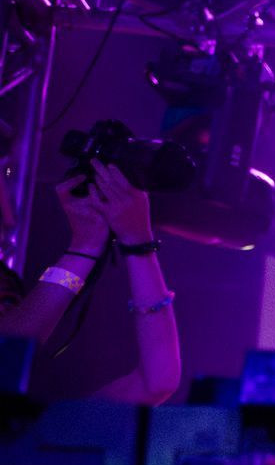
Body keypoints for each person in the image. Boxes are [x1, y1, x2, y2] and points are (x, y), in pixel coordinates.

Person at [0, 164, 180, 404]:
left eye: (10, 303)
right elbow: (7, 352)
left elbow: (156, 384)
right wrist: (84, 250)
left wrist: (136, 242)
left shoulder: (41, 431)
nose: (9, 219)